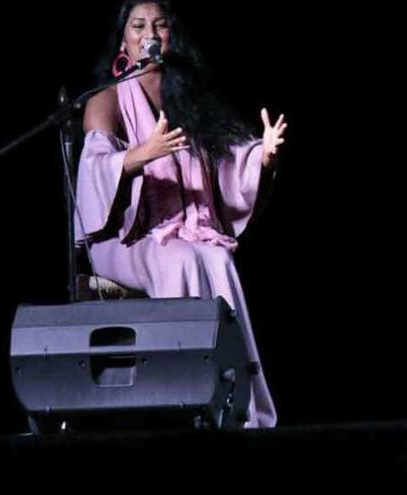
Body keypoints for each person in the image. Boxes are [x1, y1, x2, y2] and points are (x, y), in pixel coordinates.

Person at [74, 0, 285, 427]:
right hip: (126, 238)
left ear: (172, 37)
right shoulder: (106, 101)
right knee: (182, 258)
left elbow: (227, 162)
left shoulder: (189, 99)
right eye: (138, 25)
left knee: (217, 257)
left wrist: (261, 157)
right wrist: (137, 157)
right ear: (124, 41)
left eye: (160, 25)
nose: (149, 33)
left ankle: (238, 404)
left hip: (188, 230)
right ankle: (185, 399)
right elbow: (94, 170)